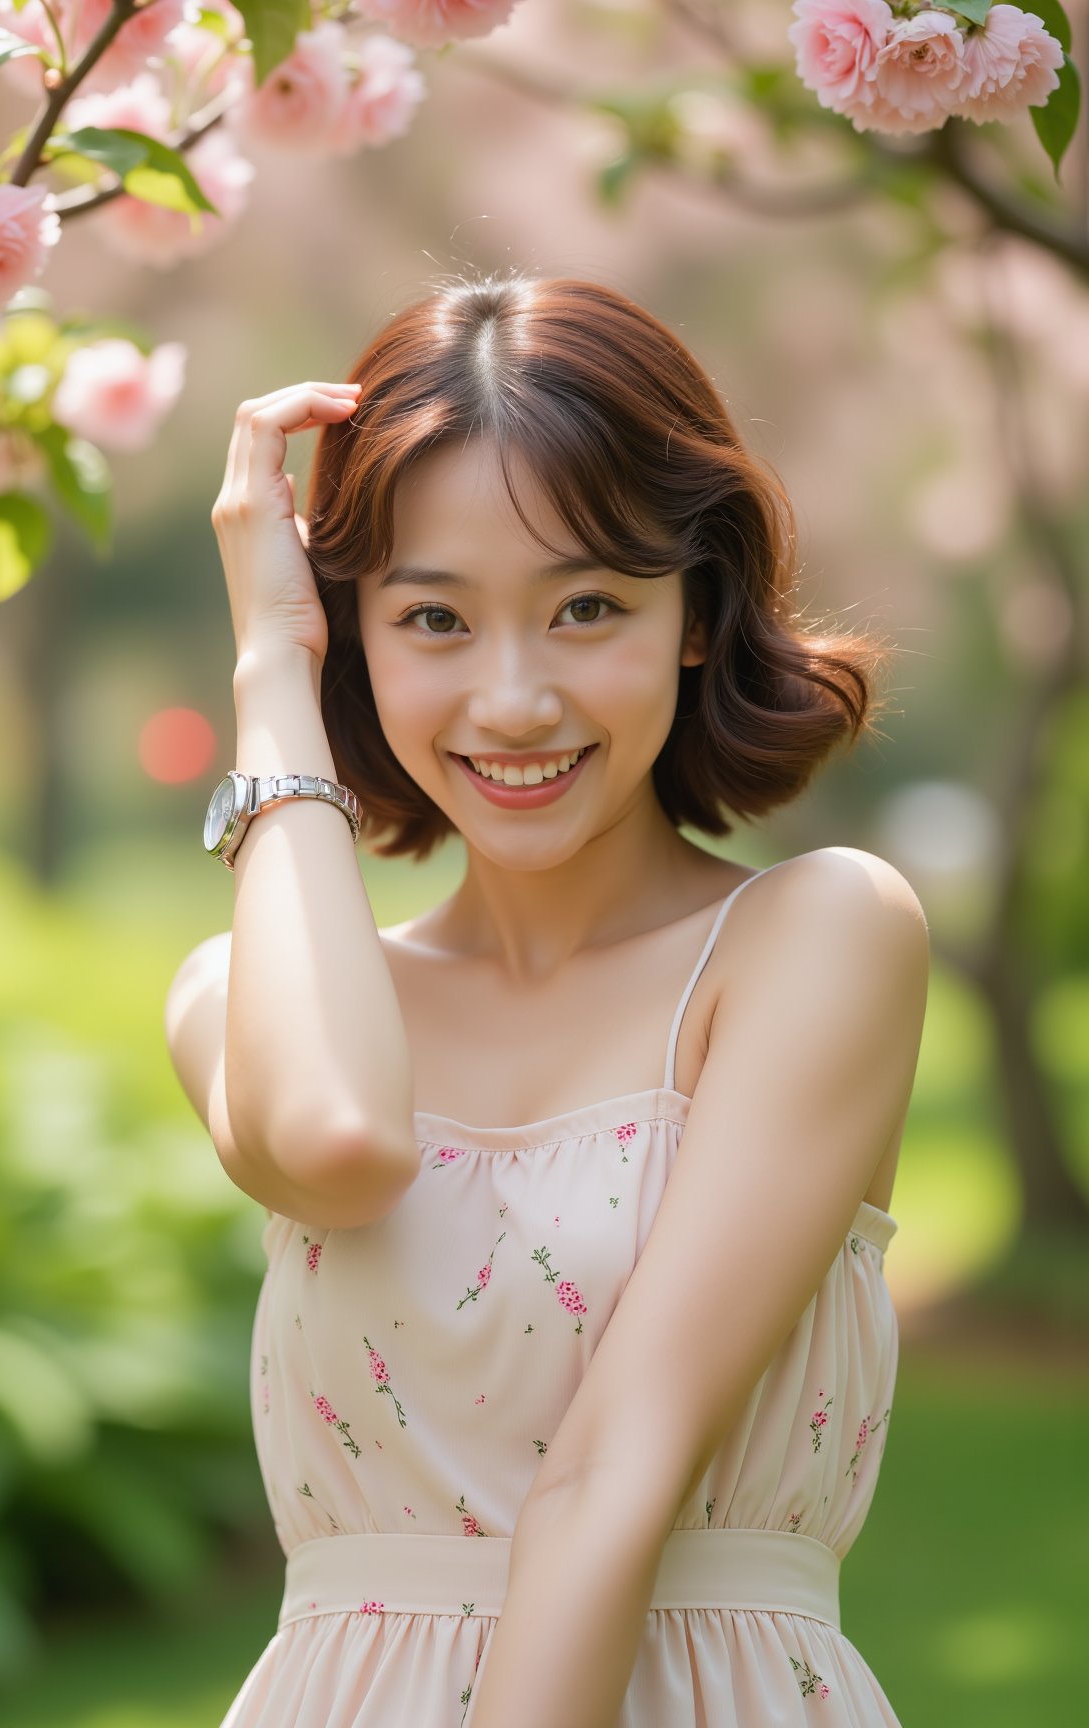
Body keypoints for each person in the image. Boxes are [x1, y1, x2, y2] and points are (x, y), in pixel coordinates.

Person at [166, 272, 930, 1728]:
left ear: (696, 615)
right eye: (434, 619)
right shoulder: (237, 1000)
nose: (513, 700)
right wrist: (273, 667)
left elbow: (612, 1470)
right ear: (355, 636)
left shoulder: (815, 939)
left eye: (586, 606)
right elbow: (335, 1143)